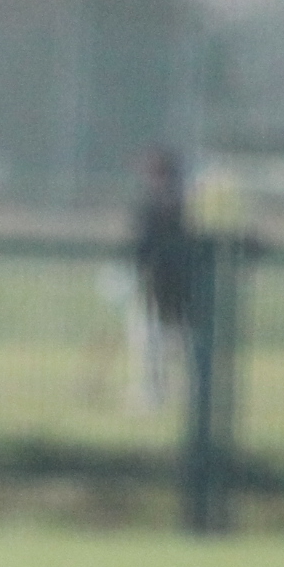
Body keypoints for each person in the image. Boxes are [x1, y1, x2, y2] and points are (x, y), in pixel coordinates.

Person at [125, 145, 193, 413]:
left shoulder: (161, 204)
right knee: (173, 341)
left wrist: (136, 267)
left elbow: (143, 245)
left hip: (163, 284)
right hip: (175, 284)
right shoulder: (184, 201)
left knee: (157, 340)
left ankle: (156, 394)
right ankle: (178, 392)